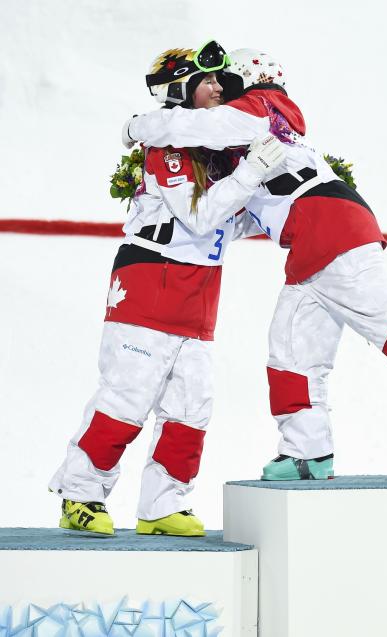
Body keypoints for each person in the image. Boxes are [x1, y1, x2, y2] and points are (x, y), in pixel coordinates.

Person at [121, 48, 387, 479]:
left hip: (326, 226)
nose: (219, 90)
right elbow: (244, 210)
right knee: (290, 348)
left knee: (384, 321)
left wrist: (137, 127)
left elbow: (193, 124)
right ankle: (307, 451)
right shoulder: (251, 130)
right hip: (313, 237)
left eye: (225, 81)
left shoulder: (259, 105)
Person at [49, 42, 287, 536]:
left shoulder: (215, 150)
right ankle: (81, 495)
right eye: (209, 81)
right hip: (150, 281)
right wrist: (252, 172)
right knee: (128, 396)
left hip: (198, 292)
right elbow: (199, 215)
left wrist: (292, 213)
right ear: (179, 88)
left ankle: (162, 505)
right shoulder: (169, 146)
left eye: (221, 80)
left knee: (192, 405)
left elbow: (227, 222)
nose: (220, 88)